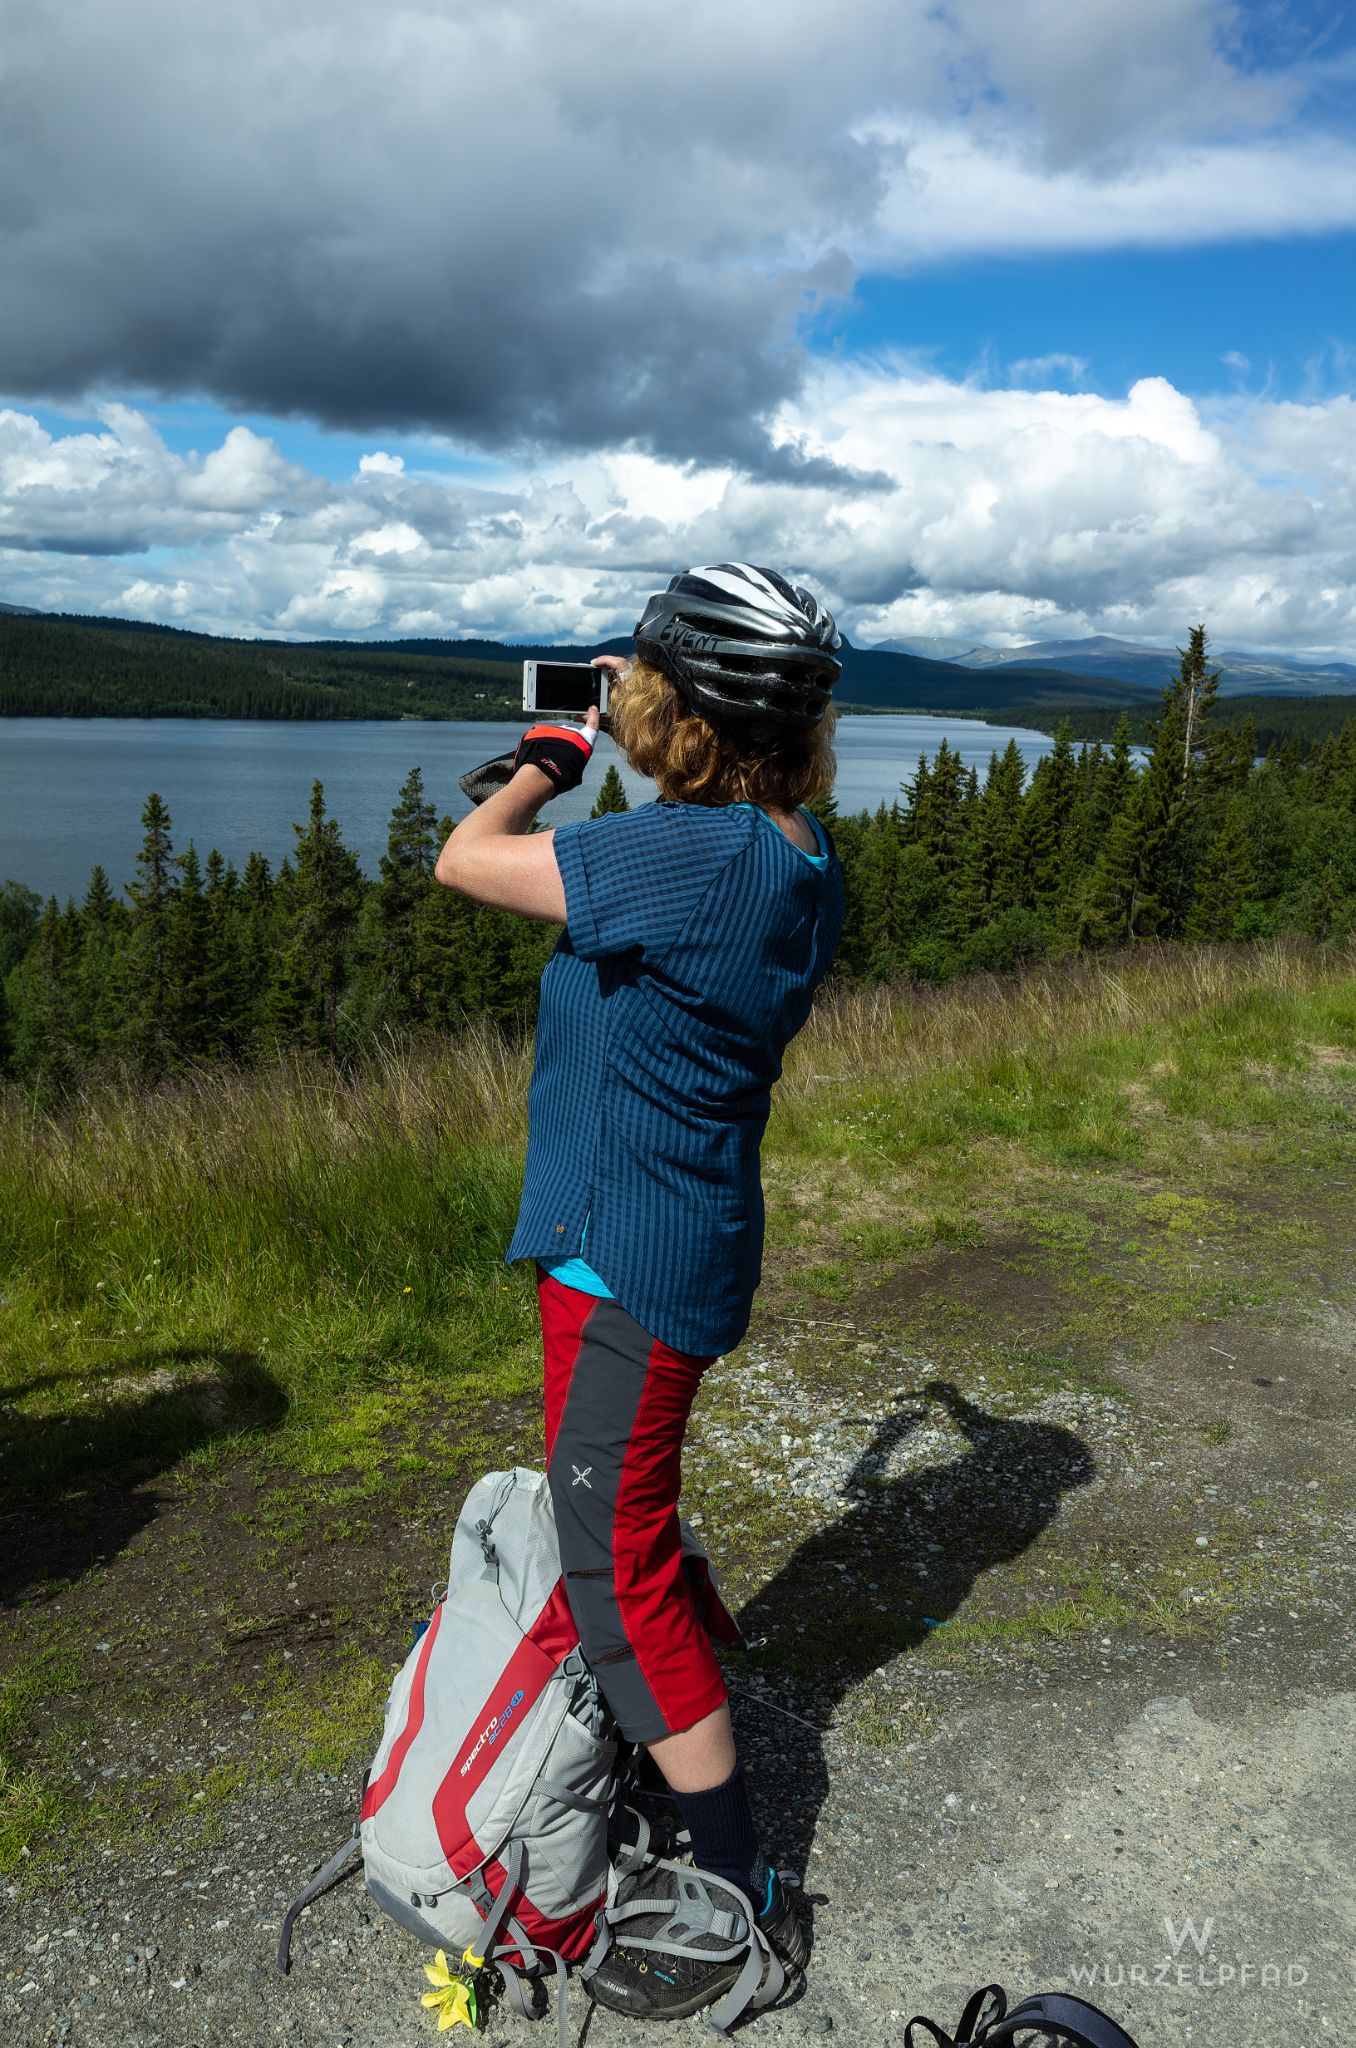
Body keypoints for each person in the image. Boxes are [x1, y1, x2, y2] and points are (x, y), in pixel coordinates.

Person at [435, 563, 845, 2020]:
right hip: (683, 1238)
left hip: (629, 1266)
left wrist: (552, 760)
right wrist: (658, 736)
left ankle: (737, 1880)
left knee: (616, 1567)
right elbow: (685, 866)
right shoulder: (791, 849)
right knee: (627, 1519)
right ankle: (643, 1745)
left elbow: (464, 860)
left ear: (687, 715)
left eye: (651, 691)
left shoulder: (690, 857)